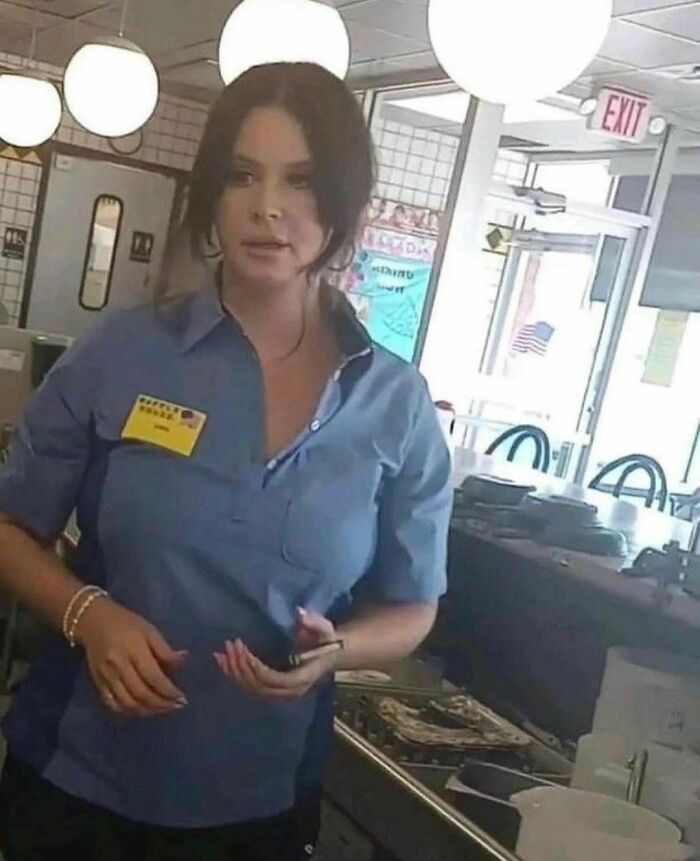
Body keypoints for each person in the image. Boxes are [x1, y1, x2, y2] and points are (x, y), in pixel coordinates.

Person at [0, 62, 451, 860]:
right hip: (79, 783)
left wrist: (339, 649)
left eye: (301, 180)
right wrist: (89, 615)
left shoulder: (397, 405)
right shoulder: (123, 353)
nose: (267, 206)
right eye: (242, 175)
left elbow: (412, 606)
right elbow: (10, 528)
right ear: (212, 192)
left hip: (261, 804)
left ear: (344, 200)